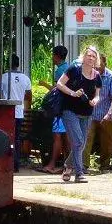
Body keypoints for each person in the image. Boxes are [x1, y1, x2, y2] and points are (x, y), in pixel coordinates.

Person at [56, 45, 102, 183]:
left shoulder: (97, 76)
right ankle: (79, 173)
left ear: (96, 60)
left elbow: (98, 95)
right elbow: (59, 84)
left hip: (87, 113)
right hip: (69, 111)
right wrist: (73, 93)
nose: (91, 58)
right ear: (84, 56)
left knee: (80, 144)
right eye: (89, 55)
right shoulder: (73, 70)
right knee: (79, 141)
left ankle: (68, 166)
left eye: (94, 56)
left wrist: (95, 100)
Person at [84, 52, 112, 172]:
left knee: (107, 142)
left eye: (100, 63)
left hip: (106, 114)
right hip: (90, 114)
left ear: (105, 63)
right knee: (86, 139)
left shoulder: (111, 77)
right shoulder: (89, 74)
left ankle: (104, 165)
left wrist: (109, 112)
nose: (97, 66)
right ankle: (84, 166)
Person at [36, 45, 70, 173]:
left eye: (53, 55)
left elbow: (56, 91)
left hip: (59, 109)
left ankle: (52, 165)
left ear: (56, 56)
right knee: (66, 136)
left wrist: (44, 84)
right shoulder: (69, 68)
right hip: (68, 108)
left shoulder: (59, 71)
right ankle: (68, 165)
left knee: (57, 136)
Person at [0, 55, 33, 172]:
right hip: (19, 113)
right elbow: (29, 96)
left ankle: (6, 162)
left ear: (8, 64)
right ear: (18, 64)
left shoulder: (3, 77)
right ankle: (16, 164)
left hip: (6, 112)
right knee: (17, 138)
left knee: (5, 137)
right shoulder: (25, 78)